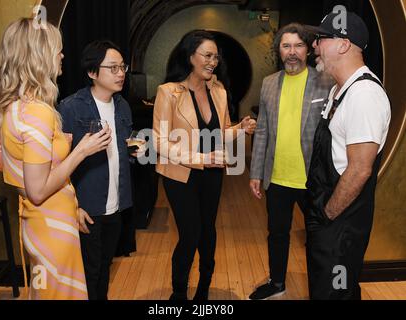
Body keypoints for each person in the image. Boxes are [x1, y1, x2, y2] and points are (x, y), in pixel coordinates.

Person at [0, 18, 111, 300]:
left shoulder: (16, 107)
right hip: (51, 231)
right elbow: (38, 190)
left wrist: (71, 207)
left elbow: (18, 173)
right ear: (39, 57)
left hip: (42, 222)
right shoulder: (37, 113)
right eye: (58, 49)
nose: (62, 56)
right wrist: (82, 150)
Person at [153, 30, 256, 300]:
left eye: (215, 57)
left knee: (208, 232)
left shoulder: (219, 91)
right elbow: (160, 143)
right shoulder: (168, 93)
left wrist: (240, 128)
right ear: (190, 57)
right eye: (207, 55)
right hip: (179, 175)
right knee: (190, 234)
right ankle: (178, 293)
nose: (213, 61)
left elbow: (220, 131)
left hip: (212, 175)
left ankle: (203, 289)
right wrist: (202, 159)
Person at [306, 10, 391, 299]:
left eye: (321, 39)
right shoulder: (339, 91)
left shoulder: (364, 95)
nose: (314, 46)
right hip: (327, 220)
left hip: (340, 226)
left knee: (334, 293)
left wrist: (328, 215)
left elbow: (359, 170)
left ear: (343, 44)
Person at [249, 23, 333, 300]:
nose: (292, 52)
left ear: (308, 50)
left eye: (298, 46)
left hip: (313, 179)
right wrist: (256, 173)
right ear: (279, 51)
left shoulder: (327, 81)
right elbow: (262, 130)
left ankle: (320, 289)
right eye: (286, 46)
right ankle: (277, 283)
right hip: (278, 177)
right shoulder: (269, 83)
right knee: (277, 234)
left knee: (318, 240)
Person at [58, 40, 133, 300]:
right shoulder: (70, 107)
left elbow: (122, 152)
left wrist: (135, 152)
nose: (121, 73)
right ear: (92, 73)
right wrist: (73, 205)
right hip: (86, 207)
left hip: (116, 204)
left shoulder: (123, 106)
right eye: (112, 68)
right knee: (88, 273)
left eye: (122, 67)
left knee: (104, 268)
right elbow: (58, 162)